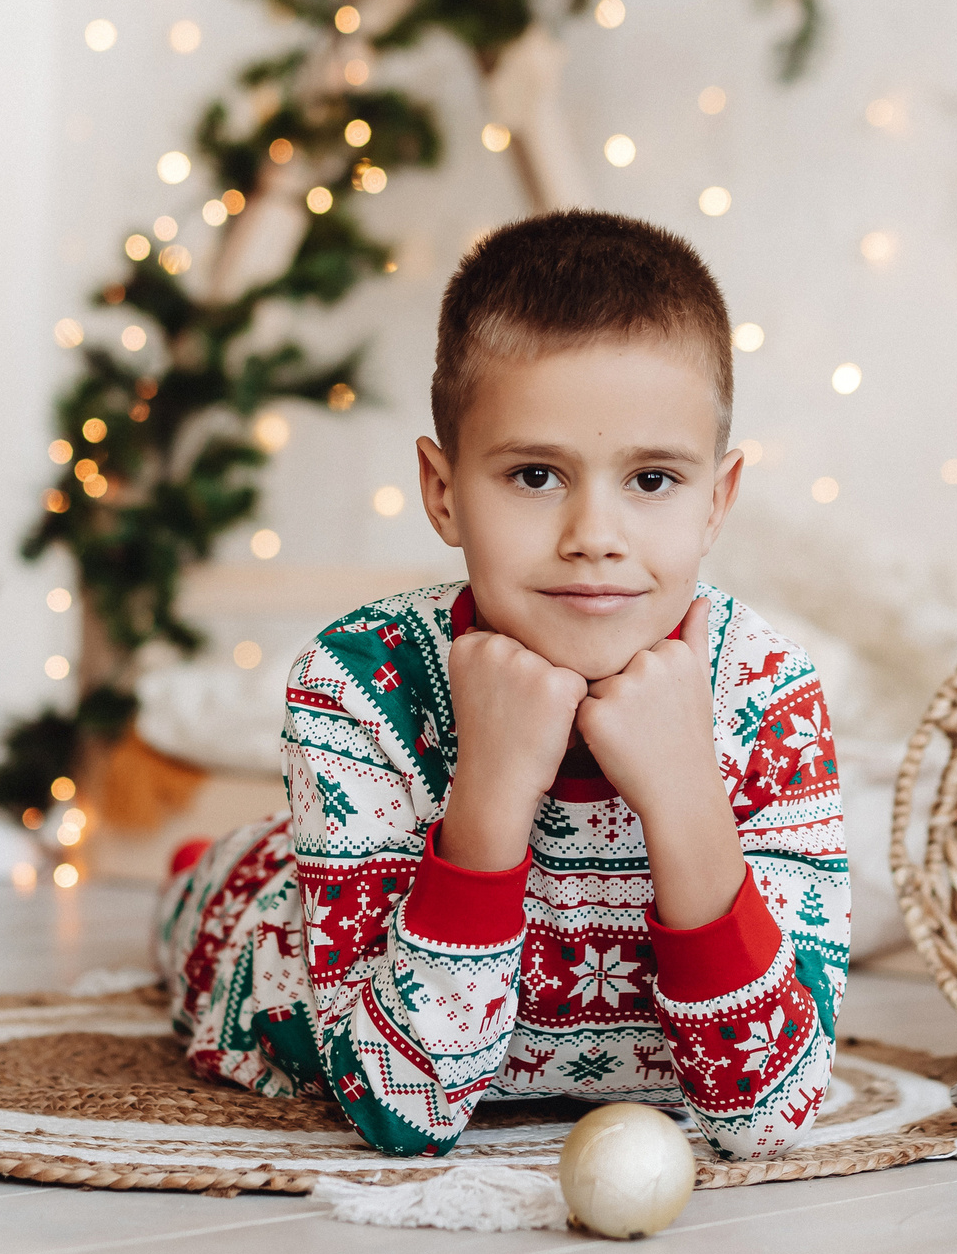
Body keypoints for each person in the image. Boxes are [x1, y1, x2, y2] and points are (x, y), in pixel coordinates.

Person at [154, 210, 847, 1161]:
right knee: (226, 891)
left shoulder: (769, 694)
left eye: (652, 480)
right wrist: (487, 790)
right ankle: (200, 868)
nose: (593, 535)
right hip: (271, 931)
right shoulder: (355, 683)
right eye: (534, 474)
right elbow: (405, 1111)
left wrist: (686, 794)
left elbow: (768, 1117)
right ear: (443, 491)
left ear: (717, 500)